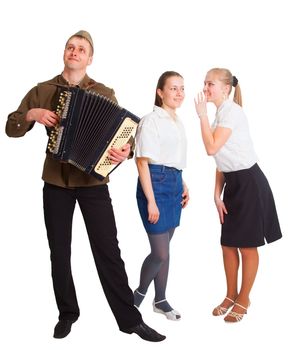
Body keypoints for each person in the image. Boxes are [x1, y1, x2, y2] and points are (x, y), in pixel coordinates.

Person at [5, 30, 165, 342]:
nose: (75, 51)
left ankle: (130, 320)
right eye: (70, 47)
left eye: (81, 49)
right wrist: (32, 114)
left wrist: (127, 150)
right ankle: (68, 313)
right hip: (55, 181)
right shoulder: (42, 90)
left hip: (93, 183)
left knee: (108, 250)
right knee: (59, 251)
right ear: (64, 53)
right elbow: (12, 127)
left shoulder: (104, 92)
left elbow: (125, 136)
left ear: (89, 59)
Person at [194, 68, 282, 322]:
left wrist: (200, 116)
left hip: (250, 184)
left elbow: (211, 148)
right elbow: (222, 162)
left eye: (210, 84)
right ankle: (230, 294)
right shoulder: (219, 114)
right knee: (227, 243)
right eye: (205, 83)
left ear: (225, 88)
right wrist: (216, 194)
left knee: (247, 245)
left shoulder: (232, 112)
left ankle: (244, 298)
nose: (205, 88)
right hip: (233, 184)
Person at [133, 71, 189, 321]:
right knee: (160, 253)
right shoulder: (150, 120)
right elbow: (142, 163)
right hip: (154, 184)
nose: (179, 93)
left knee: (166, 247)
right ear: (160, 92)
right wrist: (152, 201)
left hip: (174, 183)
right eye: (174, 88)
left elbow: (172, 159)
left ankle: (161, 300)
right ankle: (137, 297)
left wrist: (183, 183)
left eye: (182, 88)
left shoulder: (177, 121)